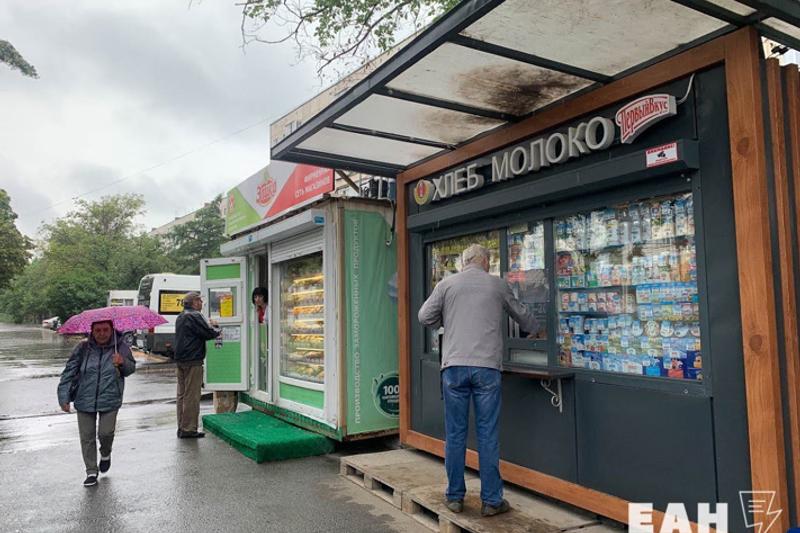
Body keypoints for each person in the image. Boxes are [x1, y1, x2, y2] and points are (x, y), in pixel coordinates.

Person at [418, 244, 538, 517]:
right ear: (485, 261)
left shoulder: (447, 285)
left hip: (454, 368)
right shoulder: (497, 285)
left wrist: (445, 320)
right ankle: (492, 501)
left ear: (464, 262)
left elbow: (424, 316)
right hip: (486, 368)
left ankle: (454, 497)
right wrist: (537, 329)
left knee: (455, 434)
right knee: (487, 434)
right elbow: (524, 318)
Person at [57, 320, 136, 487]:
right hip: (84, 398)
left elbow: (130, 370)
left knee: (106, 433)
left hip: (110, 397)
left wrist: (122, 362)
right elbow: (69, 372)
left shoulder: (120, 347)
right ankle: (91, 471)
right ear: (91, 331)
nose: (102, 334)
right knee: (87, 437)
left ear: (112, 330)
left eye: (105, 330)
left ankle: (105, 453)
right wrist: (63, 397)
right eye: (98, 330)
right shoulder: (83, 348)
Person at [174, 291, 220, 438]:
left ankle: (181, 426)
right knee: (192, 396)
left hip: (181, 360)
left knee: (182, 395)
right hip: (193, 361)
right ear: (194, 302)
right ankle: (189, 429)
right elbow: (208, 333)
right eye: (200, 301)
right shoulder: (195, 315)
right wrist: (216, 327)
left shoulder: (181, 316)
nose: (202, 303)